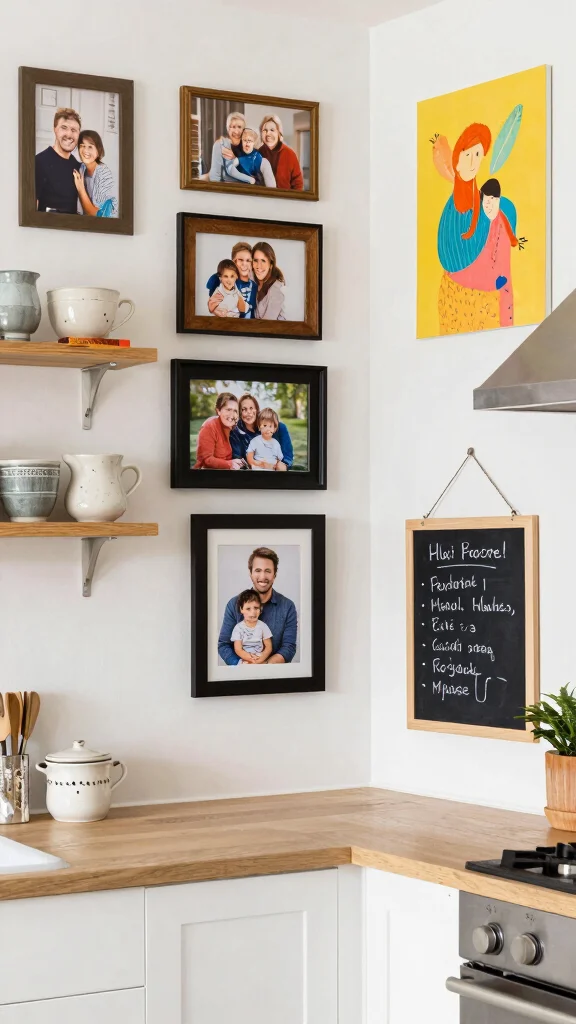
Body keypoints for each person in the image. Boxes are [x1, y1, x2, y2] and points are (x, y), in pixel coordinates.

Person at [436, 123, 518, 334]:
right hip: (453, 299)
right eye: (467, 154)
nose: (473, 161)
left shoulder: (494, 214)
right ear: (457, 159)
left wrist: (507, 322)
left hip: (486, 305)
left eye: (478, 154)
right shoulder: (451, 212)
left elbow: (504, 270)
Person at [218, 547, 298, 665]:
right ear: (250, 573)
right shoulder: (233, 604)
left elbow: (289, 647)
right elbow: (223, 645)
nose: (262, 576)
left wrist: (264, 667)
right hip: (241, 675)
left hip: (274, 676)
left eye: (268, 571)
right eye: (258, 570)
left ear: (274, 574)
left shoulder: (288, 606)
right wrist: (241, 664)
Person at [35, 107, 82, 214]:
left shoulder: (79, 167)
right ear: (55, 129)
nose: (69, 134)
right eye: (64, 128)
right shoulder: (39, 162)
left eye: (74, 130)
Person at [231, 393, 293, 470]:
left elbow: (287, 457)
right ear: (240, 412)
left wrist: (284, 465)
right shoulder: (236, 433)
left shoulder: (279, 428)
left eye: (251, 408)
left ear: (257, 409)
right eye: (244, 409)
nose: (249, 412)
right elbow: (239, 459)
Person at [194, 392, 245, 470]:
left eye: (235, 411)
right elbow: (206, 460)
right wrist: (229, 464)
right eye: (228, 409)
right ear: (218, 411)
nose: (232, 414)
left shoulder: (233, 428)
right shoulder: (210, 426)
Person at [73, 130, 118, 218]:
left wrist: (81, 189)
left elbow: (98, 215)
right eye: (82, 146)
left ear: (98, 150)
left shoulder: (104, 174)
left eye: (90, 147)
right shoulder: (81, 168)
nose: (85, 150)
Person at [206, 242, 257, 319]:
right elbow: (211, 304)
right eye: (240, 260)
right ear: (233, 261)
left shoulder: (253, 285)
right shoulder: (219, 278)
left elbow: (250, 310)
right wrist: (213, 309)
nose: (244, 264)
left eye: (248, 260)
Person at [258, 115, 303, 191]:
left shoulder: (290, 154)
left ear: (279, 133)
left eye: (272, 130)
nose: (268, 133)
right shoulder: (258, 153)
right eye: (265, 130)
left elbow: (298, 185)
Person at [231, 589, 273, 665]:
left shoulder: (263, 626)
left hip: (259, 657)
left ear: (260, 609)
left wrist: (261, 658)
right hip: (245, 658)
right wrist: (249, 658)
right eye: (248, 609)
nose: (253, 612)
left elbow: (269, 647)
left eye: (256, 608)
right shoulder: (238, 628)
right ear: (241, 609)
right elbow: (238, 649)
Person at [208, 111, 247, 183]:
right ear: (228, 129)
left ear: (244, 130)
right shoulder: (220, 145)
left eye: (239, 127)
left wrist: (235, 158)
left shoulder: (248, 146)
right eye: (233, 127)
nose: (236, 131)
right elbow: (215, 176)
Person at [252, 242, 286, 320]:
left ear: (271, 265)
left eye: (263, 261)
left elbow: (266, 326)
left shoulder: (276, 290)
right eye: (255, 260)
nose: (258, 266)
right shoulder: (253, 279)